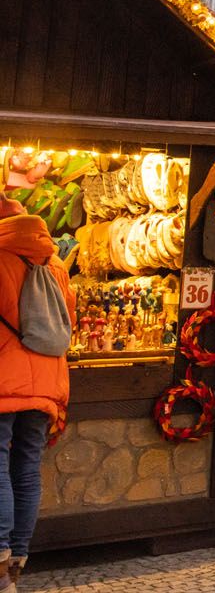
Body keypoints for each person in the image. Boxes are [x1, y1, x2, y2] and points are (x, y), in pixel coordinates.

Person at [0, 199, 73, 589]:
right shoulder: (56, 266)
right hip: (46, 380)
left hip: (4, 381)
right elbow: (68, 321)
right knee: (26, 468)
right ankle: (17, 564)